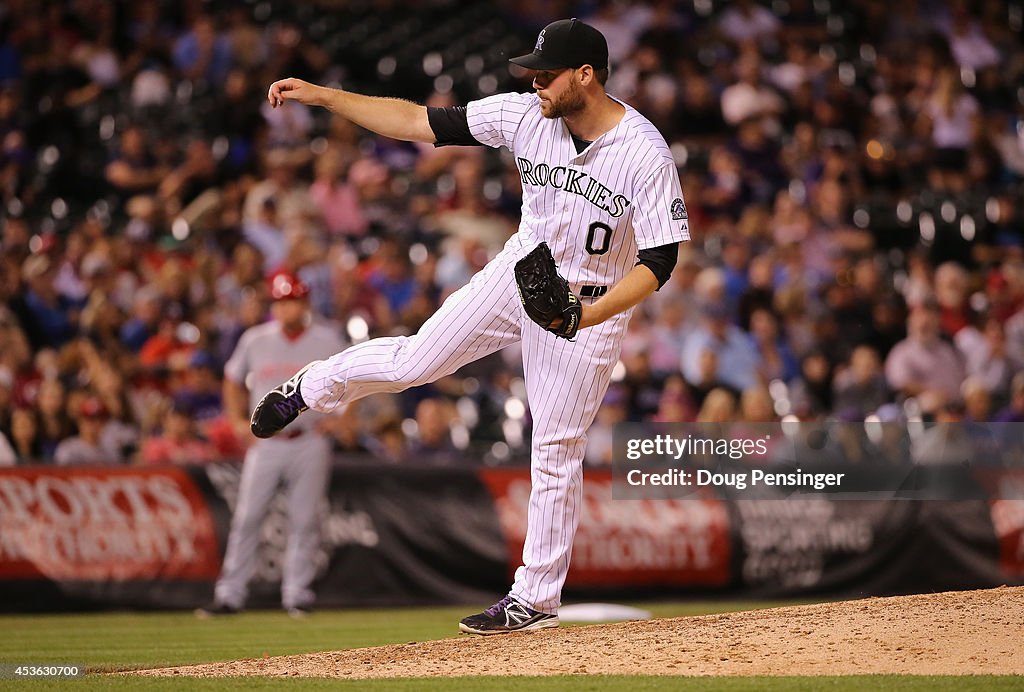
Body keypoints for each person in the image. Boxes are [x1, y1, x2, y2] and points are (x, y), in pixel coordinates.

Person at [257, 18, 689, 634]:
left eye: (546, 73)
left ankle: (534, 601)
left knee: (556, 450)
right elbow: (416, 122)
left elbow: (660, 261)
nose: (534, 82)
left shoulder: (644, 153)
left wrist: (586, 316)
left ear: (586, 76)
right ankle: (308, 388)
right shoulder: (524, 115)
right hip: (521, 271)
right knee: (412, 363)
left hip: (592, 305)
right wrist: (328, 97)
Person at [199, 273, 345, 617]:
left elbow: (349, 381)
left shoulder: (327, 338)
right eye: (280, 302)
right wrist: (236, 419)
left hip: (309, 438)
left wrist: (343, 418)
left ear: (305, 303)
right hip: (265, 443)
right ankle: (229, 595)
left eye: (292, 300)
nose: (286, 308)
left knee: (304, 519)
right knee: (248, 517)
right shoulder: (255, 339)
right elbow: (233, 380)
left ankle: (297, 594)